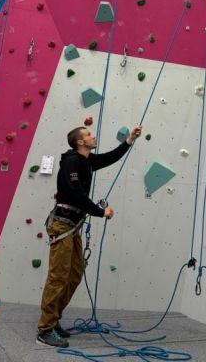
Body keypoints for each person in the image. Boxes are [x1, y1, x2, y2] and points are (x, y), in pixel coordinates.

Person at [36, 124, 142, 348]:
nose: (93, 136)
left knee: (74, 274)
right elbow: (75, 194)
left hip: (72, 226)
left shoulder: (87, 161)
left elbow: (110, 157)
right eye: (88, 135)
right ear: (80, 142)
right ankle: (45, 330)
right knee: (58, 277)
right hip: (62, 225)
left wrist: (129, 140)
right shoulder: (71, 162)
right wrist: (100, 212)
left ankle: (53, 320)